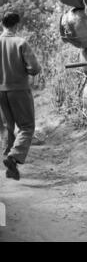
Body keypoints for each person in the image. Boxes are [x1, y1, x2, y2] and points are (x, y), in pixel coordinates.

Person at [0, 12, 41, 180]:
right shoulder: (20, 43)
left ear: (2, 24)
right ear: (16, 25)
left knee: (7, 126)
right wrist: (26, 70)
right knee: (27, 127)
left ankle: (10, 166)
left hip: (0, 91)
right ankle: (13, 156)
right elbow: (35, 68)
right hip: (19, 89)